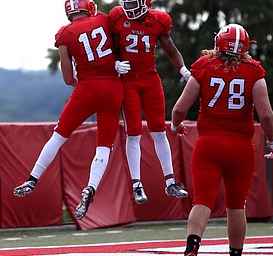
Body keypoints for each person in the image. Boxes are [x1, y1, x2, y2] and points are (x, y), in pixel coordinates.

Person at [171, 23, 273, 256]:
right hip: (241, 148)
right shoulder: (254, 71)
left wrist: (176, 125)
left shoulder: (204, 66)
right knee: (236, 206)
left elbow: (179, 108)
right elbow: (267, 114)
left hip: (208, 145)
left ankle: (192, 247)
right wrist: (271, 140)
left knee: (202, 202)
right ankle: (235, 253)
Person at [13, 0, 124, 221]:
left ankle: (33, 178)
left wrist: (79, 80)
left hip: (86, 88)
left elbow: (67, 78)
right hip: (112, 87)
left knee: (58, 136)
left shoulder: (64, 34)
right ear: (89, 7)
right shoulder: (104, 19)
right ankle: (91, 187)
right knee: (104, 146)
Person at [109, 0, 189, 204]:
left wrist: (184, 71)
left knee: (159, 130)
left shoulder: (158, 21)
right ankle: (137, 184)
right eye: (125, 3)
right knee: (133, 132)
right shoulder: (117, 17)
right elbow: (111, 48)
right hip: (128, 82)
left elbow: (172, 51)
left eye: (132, 3)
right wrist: (115, 64)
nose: (128, 8)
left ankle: (170, 181)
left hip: (150, 79)